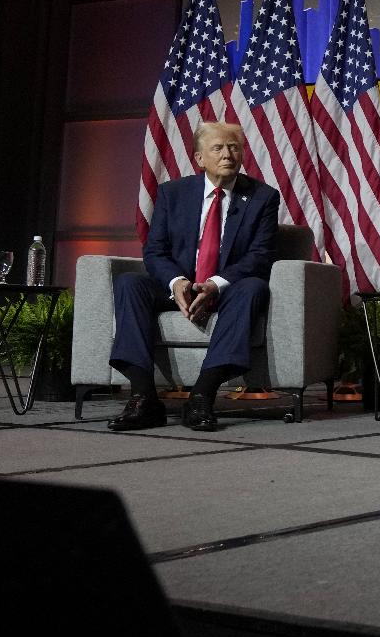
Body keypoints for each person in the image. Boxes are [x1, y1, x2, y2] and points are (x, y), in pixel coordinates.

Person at [109, 122, 279, 432]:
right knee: (129, 283)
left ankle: (202, 395)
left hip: (228, 289)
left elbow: (259, 256)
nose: (227, 154)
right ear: (199, 158)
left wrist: (216, 283)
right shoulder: (173, 193)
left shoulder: (262, 198)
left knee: (254, 287)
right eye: (218, 148)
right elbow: (155, 251)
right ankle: (143, 397)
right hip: (179, 286)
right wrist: (176, 282)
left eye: (234, 147)